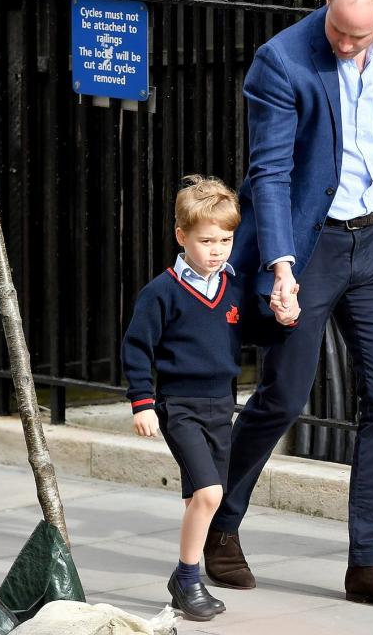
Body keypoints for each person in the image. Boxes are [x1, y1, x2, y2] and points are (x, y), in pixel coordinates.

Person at [203, 0, 373, 612]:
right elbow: (271, 174)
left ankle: (369, 565)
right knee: (284, 397)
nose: (345, 45)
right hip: (310, 248)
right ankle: (217, 520)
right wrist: (280, 266)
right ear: (326, 3)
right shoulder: (281, 61)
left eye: (359, 36)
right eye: (338, 31)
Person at [121, 175, 299, 622]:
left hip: (222, 405)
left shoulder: (234, 287)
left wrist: (284, 319)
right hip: (179, 407)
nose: (217, 249)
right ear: (182, 237)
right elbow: (137, 348)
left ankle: (188, 576)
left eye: (226, 239)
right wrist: (142, 402)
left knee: (200, 500)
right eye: (206, 240)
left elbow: (258, 333)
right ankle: (186, 577)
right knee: (210, 491)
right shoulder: (161, 292)